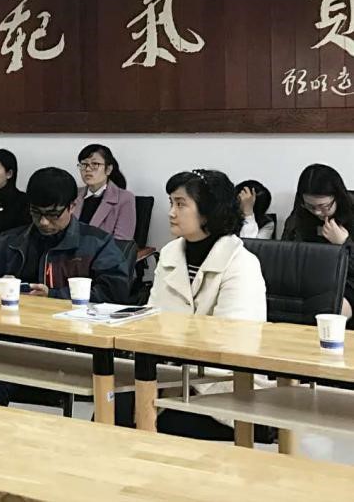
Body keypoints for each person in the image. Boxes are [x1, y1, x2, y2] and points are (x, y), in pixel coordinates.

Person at [0, 167, 129, 407]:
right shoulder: (12, 240)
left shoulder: (97, 243)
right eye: (36, 213)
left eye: (53, 214)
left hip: (66, 344)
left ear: (72, 206)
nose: (44, 222)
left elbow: (115, 294)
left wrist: (54, 296)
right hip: (8, 335)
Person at [147, 169, 270, 441]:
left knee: (166, 424)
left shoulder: (242, 264)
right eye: (171, 203)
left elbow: (232, 342)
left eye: (181, 204)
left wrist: (174, 380)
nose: (171, 212)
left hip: (224, 386)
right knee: (111, 407)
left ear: (207, 212)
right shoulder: (169, 254)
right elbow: (152, 321)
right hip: (170, 376)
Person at [282, 163, 354, 318]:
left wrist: (345, 243)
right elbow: (286, 255)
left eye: (324, 206)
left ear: (338, 197)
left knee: (333, 310)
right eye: (310, 206)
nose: (317, 212)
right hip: (310, 280)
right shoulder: (300, 216)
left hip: (347, 282)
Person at [72, 144, 136, 241]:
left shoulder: (125, 198)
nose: (88, 169)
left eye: (95, 164)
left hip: (103, 251)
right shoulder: (73, 194)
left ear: (108, 169)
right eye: (84, 164)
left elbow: (121, 242)